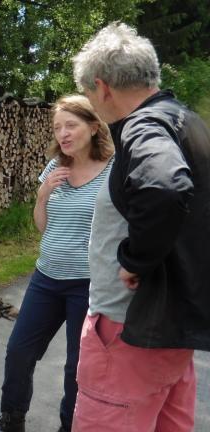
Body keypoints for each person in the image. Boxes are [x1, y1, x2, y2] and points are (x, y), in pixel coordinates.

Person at [71, 22, 210, 431]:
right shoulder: (188, 122)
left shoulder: (143, 126)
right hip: (170, 330)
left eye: (90, 96)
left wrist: (136, 259)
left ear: (103, 87)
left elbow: (166, 188)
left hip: (129, 331)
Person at [0, 96, 114, 432]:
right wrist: (43, 194)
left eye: (70, 125)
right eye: (58, 127)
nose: (63, 133)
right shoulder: (55, 168)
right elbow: (43, 225)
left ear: (93, 126)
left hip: (86, 284)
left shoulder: (113, 172)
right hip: (45, 277)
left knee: (78, 365)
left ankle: (69, 425)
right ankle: (12, 418)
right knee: (19, 350)